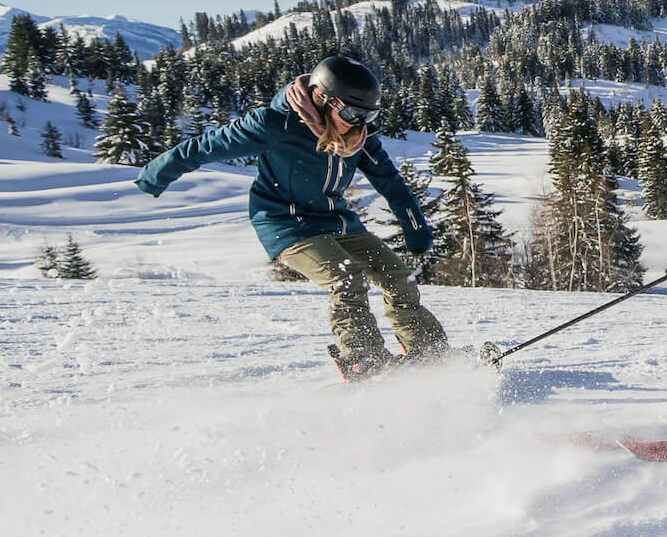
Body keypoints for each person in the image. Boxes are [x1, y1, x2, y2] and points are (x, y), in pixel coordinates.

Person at [134, 54, 449, 379]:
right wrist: (154, 175)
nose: (360, 123)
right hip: (285, 224)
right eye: (353, 112)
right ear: (324, 99)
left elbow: (391, 183)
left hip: (335, 220)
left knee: (397, 276)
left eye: (369, 115)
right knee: (346, 277)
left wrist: (416, 229)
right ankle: (362, 360)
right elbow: (205, 146)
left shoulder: (360, 138)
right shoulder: (275, 124)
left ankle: (430, 353)